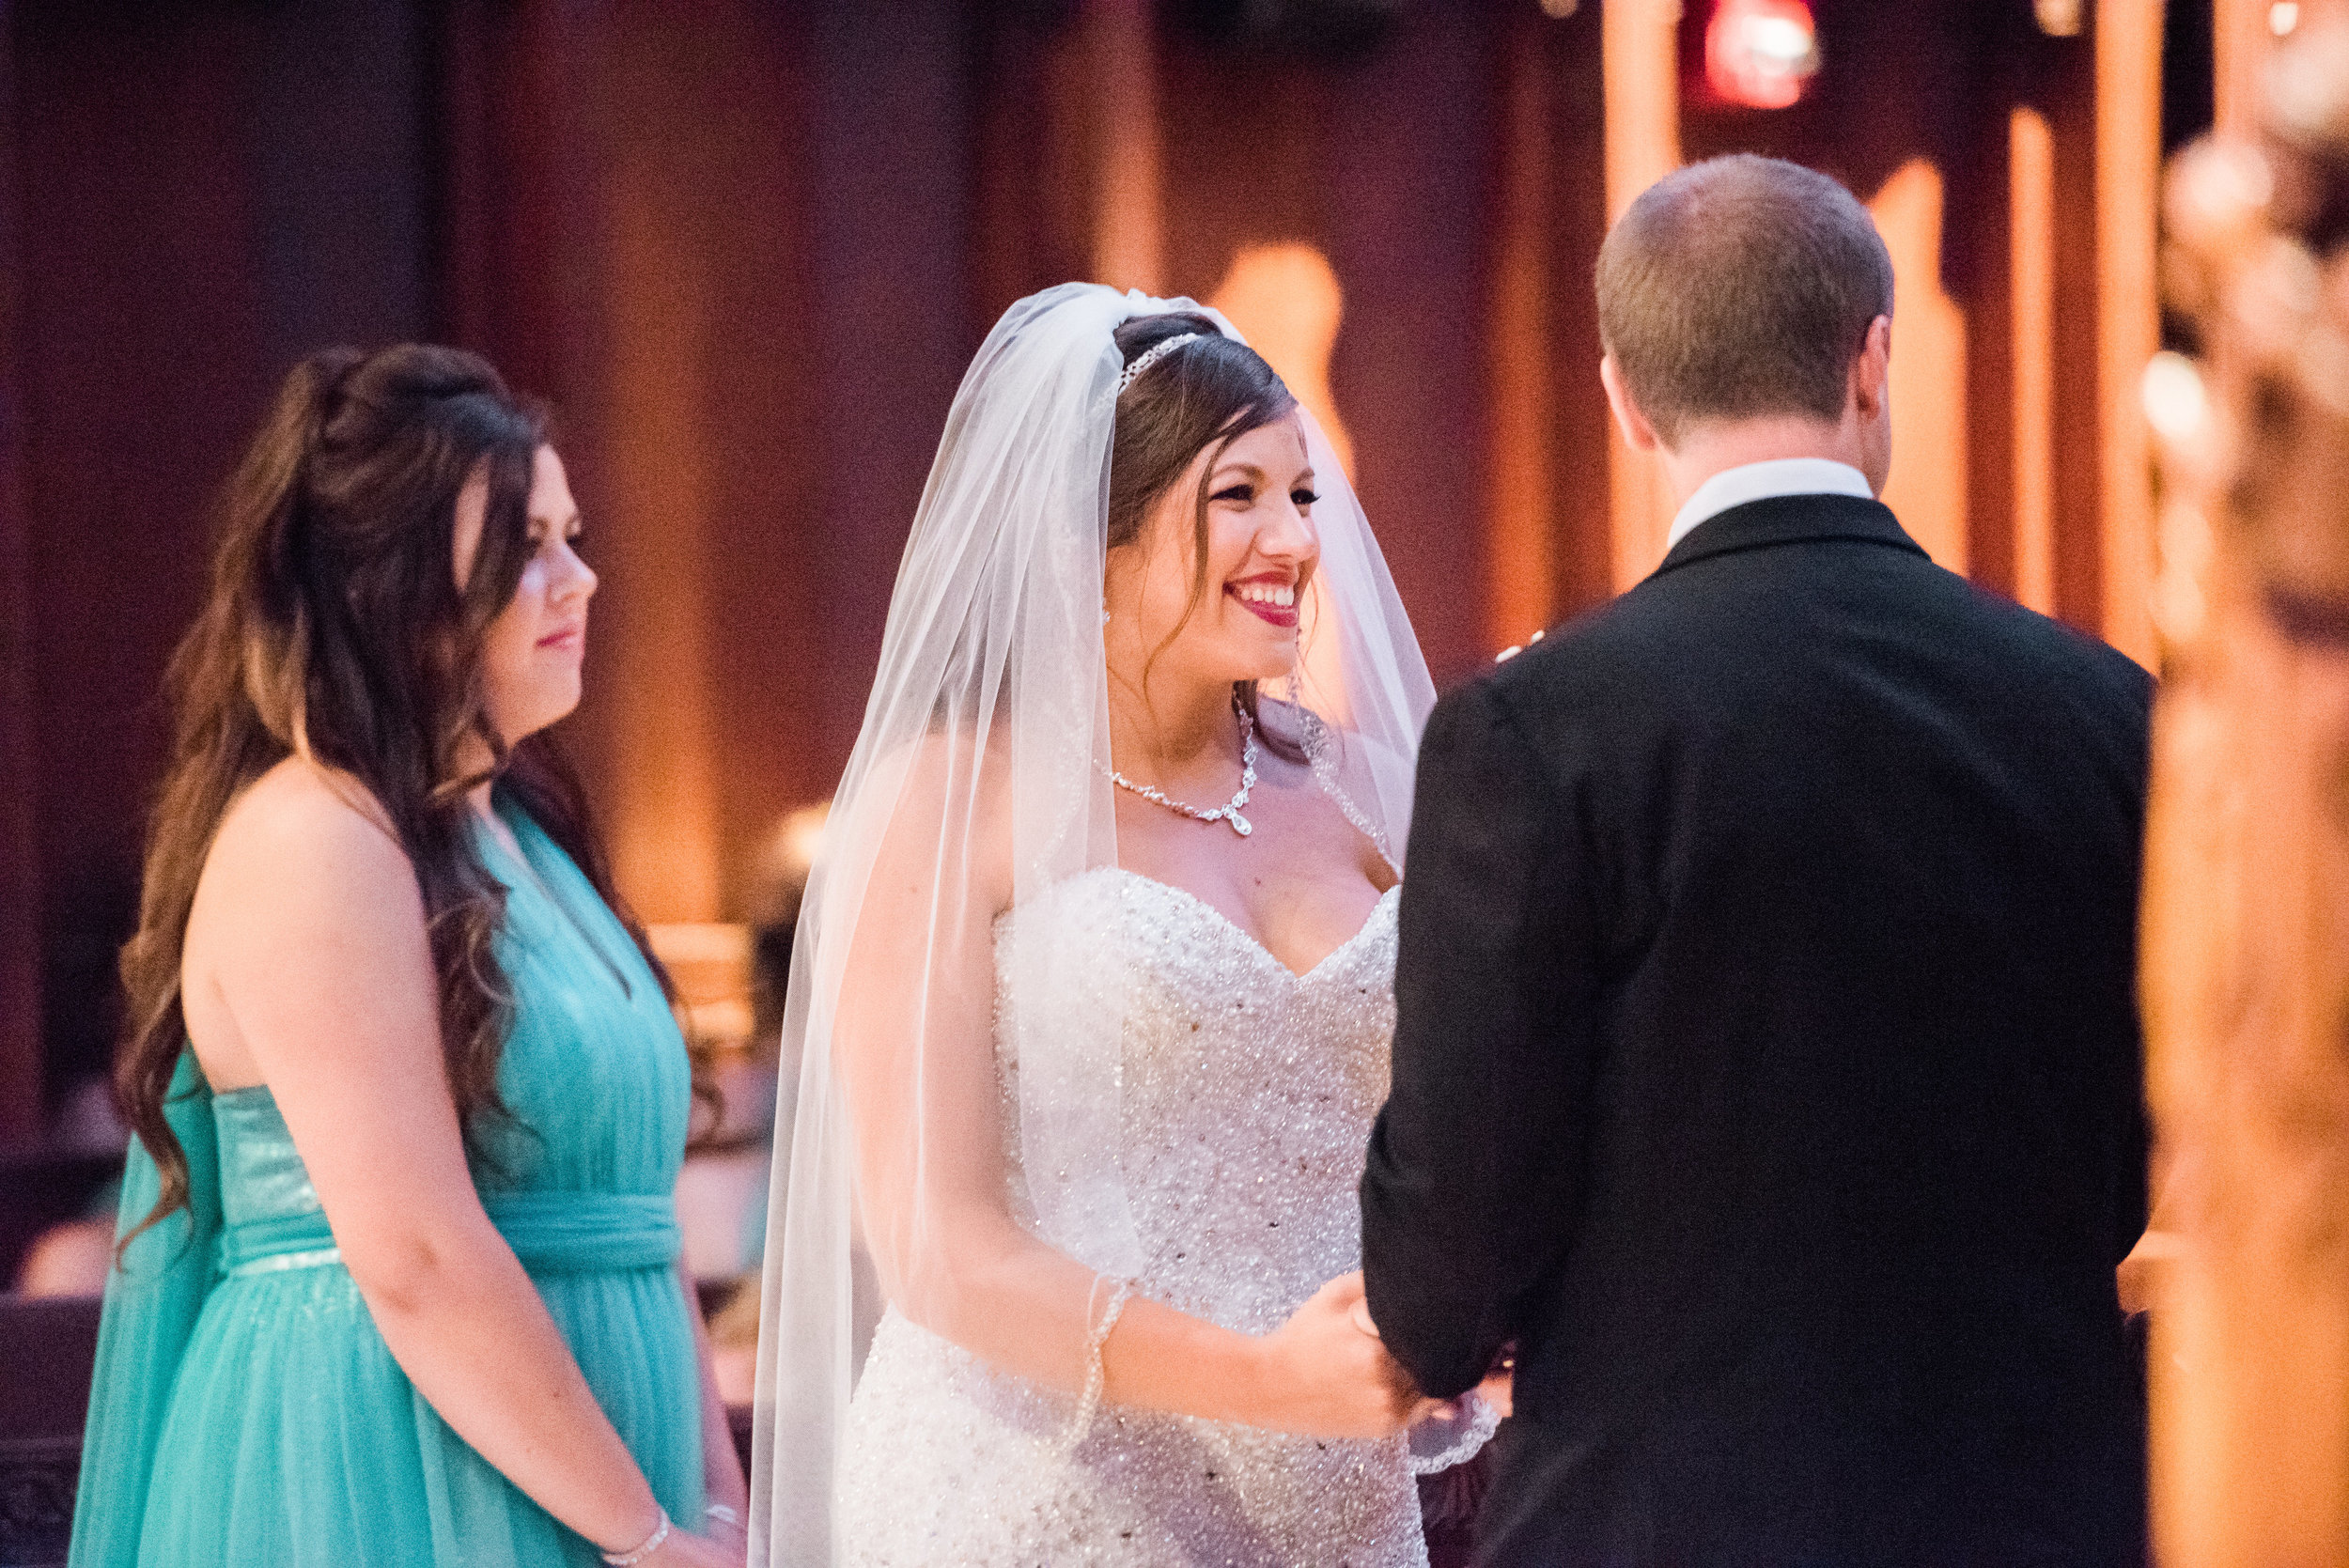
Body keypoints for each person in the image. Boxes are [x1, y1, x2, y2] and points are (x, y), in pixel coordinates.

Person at [1361, 154, 2155, 1565]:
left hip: (1666, 1522)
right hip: (2038, 1509)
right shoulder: (2102, 707)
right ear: (1875, 358)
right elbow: (2127, 1168)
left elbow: (1446, 1273)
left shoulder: (1536, 731)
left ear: (1620, 399)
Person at [751, 284, 1486, 1567]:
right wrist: (1264, 1379)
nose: (1294, 541)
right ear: (1092, 541)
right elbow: (937, 1244)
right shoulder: (947, 804)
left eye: (1301, 495)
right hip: (1042, 1489)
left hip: (1331, 1499)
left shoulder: (1368, 788)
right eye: (1236, 496)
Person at [70, 345, 744, 1568]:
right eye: (522, 549)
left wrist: (719, 1505)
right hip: (380, 1457)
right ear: (389, 586)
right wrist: (643, 1532)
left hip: (603, 1455)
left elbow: (640, 1220)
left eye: (571, 534)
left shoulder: (522, 831)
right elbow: (417, 1252)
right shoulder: (312, 838)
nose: (579, 579)